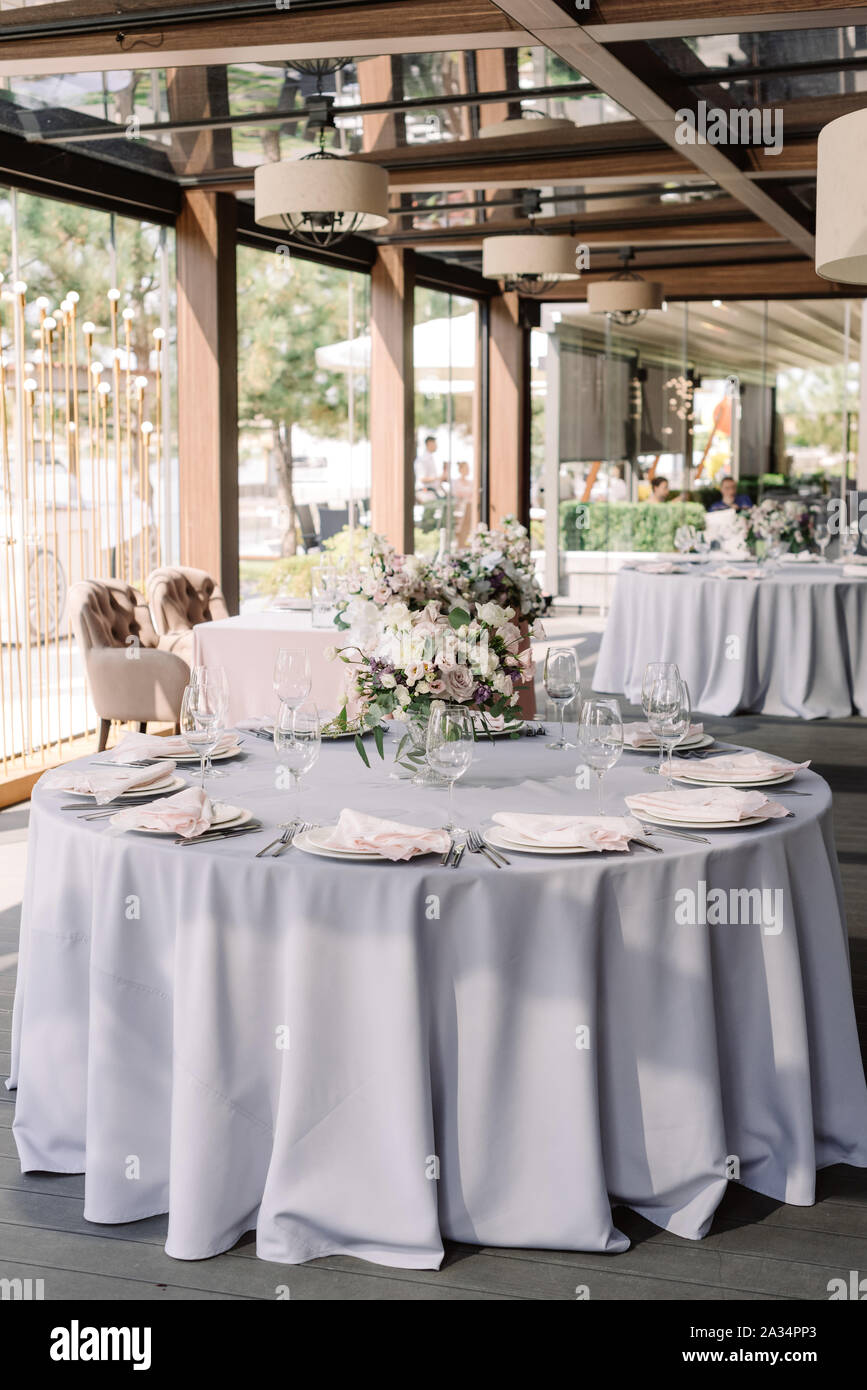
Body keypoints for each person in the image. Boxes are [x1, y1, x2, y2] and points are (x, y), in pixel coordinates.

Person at [414, 436, 445, 502]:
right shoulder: (422, 460)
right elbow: (422, 479)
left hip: (433, 492)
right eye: (435, 444)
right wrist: (438, 478)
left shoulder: (432, 459)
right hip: (425, 493)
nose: (436, 446)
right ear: (429, 444)